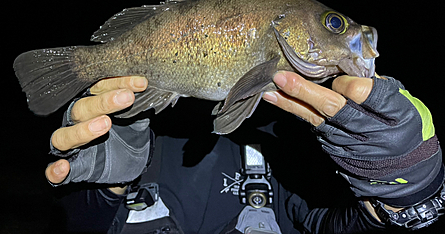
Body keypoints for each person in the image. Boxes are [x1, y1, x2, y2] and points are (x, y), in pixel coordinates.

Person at [45, 72, 444, 233]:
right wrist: (102, 189)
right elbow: (78, 226)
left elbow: (339, 225)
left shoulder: (283, 150)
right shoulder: (132, 142)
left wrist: (406, 194)